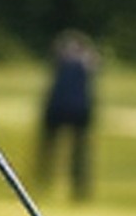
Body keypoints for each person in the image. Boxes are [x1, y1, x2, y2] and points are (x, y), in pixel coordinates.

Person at [38, 30, 99, 201]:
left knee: (69, 152)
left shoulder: (64, 61)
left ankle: (53, 180)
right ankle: (71, 184)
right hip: (77, 110)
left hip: (61, 109)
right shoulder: (85, 62)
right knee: (74, 153)